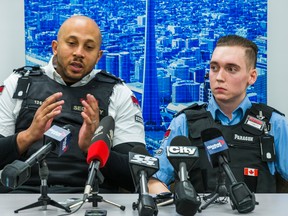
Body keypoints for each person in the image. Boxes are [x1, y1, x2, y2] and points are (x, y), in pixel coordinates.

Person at [0, 15, 145, 193]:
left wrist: (91, 148)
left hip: (93, 200)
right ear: (55, 47)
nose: (79, 53)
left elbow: (137, 176)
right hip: (21, 195)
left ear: (99, 56)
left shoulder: (118, 93)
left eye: (89, 47)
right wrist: (28, 136)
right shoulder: (19, 84)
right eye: (71, 43)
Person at [148, 35, 288, 194]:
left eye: (231, 69)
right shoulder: (184, 123)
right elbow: (154, 179)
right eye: (214, 68)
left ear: (252, 76)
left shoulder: (274, 124)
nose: (219, 77)